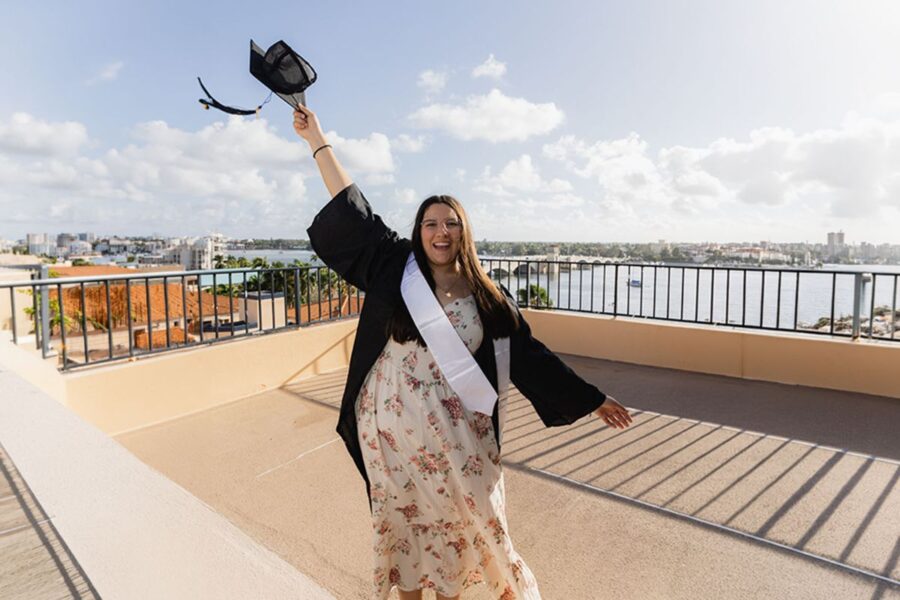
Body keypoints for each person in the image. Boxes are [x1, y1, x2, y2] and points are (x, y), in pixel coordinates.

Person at [295, 104, 633, 600]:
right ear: (419, 231)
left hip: (457, 435)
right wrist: (317, 141)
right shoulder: (394, 264)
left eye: (450, 223)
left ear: (463, 232)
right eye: (431, 223)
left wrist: (591, 398)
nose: (440, 232)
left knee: (462, 527)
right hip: (392, 429)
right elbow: (352, 206)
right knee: (406, 528)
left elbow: (530, 355)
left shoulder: (488, 296)